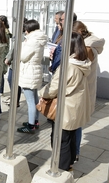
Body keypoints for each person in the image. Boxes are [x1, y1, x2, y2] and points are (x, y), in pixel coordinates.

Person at [39, 32, 91, 171]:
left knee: (61, 140)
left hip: (65, 108)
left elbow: (53, 88)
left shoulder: (68, 65)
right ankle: (70, 164)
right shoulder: (82, 62)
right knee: (71, 137)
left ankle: (62, 169)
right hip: (74, 107)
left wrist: (41, 93)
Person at [72, 21, 105, 161]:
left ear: (79, 33)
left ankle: (75, 152)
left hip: (82, 89)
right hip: (83, 88)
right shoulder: (87, 44)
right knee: (75, 123)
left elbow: (82, 69)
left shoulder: (88, 47)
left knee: (76, 123)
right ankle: (74, 152)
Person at [16, 20, 48, 134]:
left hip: (29, 72)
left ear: (28, 30)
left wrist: (23, 43)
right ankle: (35, 121)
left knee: (30, 101)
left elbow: (23, 57)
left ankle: (31, 126)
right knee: (34, 98)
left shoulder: (31, 41)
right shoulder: (38, 39)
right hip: (35, 70)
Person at [4, 17, 27, 107]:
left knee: (12, 80)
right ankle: (15, 99)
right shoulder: (21, 34)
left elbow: (14, 48)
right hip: (17, 61)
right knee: (14, 81)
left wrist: (8, 58)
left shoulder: (21, 35)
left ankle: (15, 100)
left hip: (16, 62)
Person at [0, 15, 11, 95]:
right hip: (2, 54)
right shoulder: (2, 30)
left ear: (3, 22)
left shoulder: (5, 32)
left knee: (0, 73)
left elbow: (4, 45)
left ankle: (0, 90)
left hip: (3, 54)